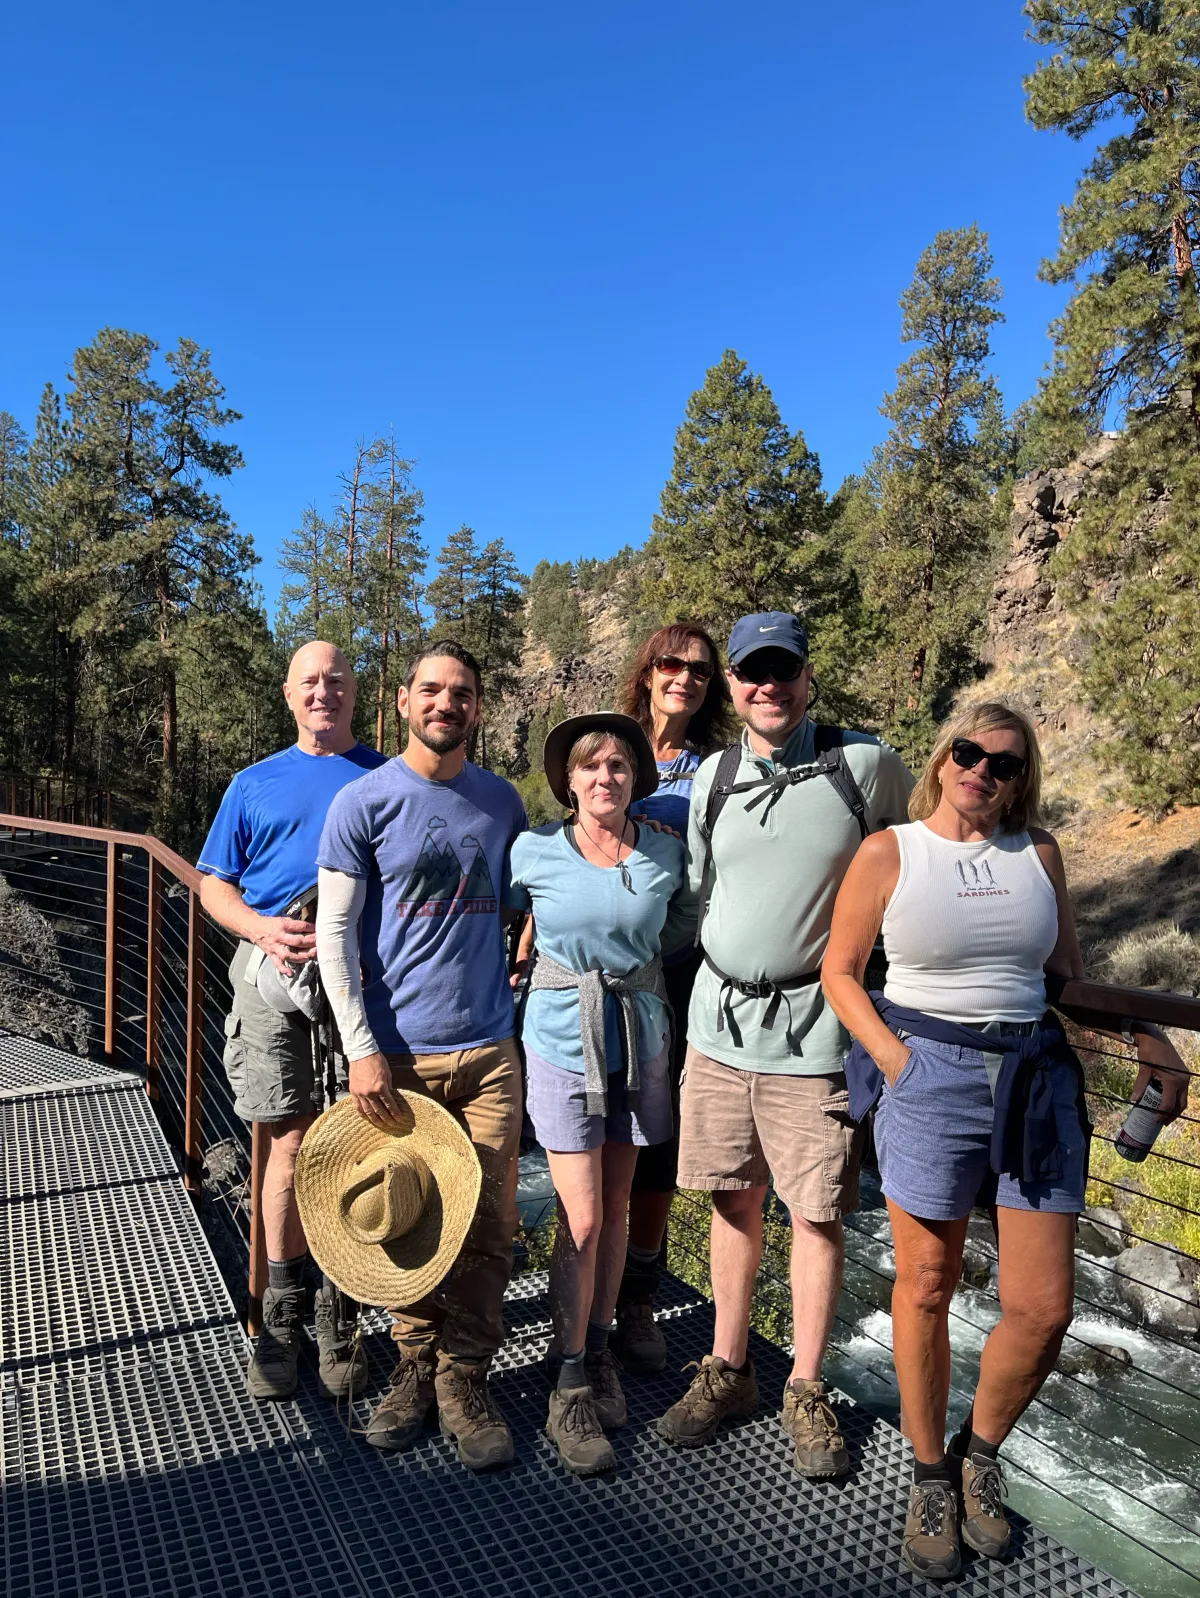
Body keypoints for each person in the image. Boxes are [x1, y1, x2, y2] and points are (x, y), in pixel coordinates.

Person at [822, 701, 1190, 1580]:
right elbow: (840, 971)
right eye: (970, 753)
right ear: (942, 756)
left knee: (1043, 1307)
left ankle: (977, 1452)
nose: (984, 772)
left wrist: (1147, 1030)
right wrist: (895, 1062)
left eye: (1007, 763)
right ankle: (927, 1477)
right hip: (930, 1072)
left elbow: (1064, 977)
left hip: (1034, 1071)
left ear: (1023, 780)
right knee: (925, 1283)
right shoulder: (891, 852)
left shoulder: (1041, 854)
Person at [656, 611, 914, 1482]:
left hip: (814, 1027)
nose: (768, 687)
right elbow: (694, 899)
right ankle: (730, 1369)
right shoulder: (714, 778)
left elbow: (919, 860)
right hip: (718, 1025)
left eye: (783, 671)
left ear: (808, 678)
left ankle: (804, 1386)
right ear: (731, 685)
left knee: (815, 1212)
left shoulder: (864, 765)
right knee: (732, 1199)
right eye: (752, 673)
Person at [315, 639, 528, 1472]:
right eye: (432, 691)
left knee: (490, 1222)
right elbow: (335, 935)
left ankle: (464, 1375)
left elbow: (524, 900)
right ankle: (411, 1364)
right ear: (403, 701)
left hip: (488, 1053)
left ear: (478, 707)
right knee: (406, 1216)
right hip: (397, 1056)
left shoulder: (502, 802)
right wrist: (360, 1048)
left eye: (463, 693)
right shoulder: (362, 803)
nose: (446, 704)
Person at [198, 640, 387, 1400]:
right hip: (272, 981)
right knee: (286, 1141)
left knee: (353, 1144)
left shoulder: (383, 776)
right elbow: (214, 886)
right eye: (310, 682)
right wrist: (260, 928)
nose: (323, 692)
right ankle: (281, 1312)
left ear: (353, 693)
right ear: (288, 694)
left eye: (336, 681)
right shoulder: (253, 784)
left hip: (358, 992)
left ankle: (340, 1308)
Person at [504, 712, 691, 1475]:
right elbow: (499, 911)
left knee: (613, 1209)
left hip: (637, 1036)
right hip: (558, 1037)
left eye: (618, 765)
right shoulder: (533, 850)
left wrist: (633, 972)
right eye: (591, 766)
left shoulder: (665, 855)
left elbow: (683, 923)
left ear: (636, 777)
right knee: (581, 1213)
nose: (605, 777)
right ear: (568, 780)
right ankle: (570, 1374)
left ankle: (599, 1344)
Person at [612, 624, 732, 1374]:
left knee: (658, 1136)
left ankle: (637, 1301)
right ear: (647, 672)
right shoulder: (610, 747)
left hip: (683, 969)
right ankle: (584, 1288)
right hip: (601, 968)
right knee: (590, 1126)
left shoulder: (721, 767)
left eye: (698, 668)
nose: (683, 676)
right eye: (670, 663)